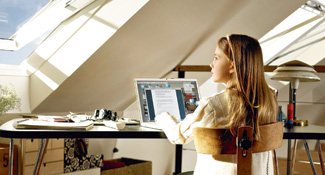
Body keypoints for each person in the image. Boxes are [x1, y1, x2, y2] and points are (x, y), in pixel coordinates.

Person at [155, 34, 278, 175]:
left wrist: (163, 118)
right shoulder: (270, 99)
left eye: (216, 58)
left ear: (232, 66)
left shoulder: (213, 106)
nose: (211, 64)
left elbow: (178, 136)